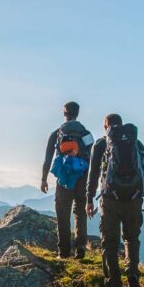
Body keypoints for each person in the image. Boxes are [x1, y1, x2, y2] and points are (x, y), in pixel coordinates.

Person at [86, 113, 144, 287]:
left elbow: (93, 174)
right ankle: (133, 276)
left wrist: (88, 199)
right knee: (131, 238)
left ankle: (113, 284)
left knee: (109, 241)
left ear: (106, 127)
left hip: (110, 199)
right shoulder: (136, 143)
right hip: (134, 198)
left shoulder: (102, 144)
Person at [41, 101, 94, 258]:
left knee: (62, 214)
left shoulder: (56, 134)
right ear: (77, 113)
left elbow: (48, 159)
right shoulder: (86, 134)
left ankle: (63, 251)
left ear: (64, 113)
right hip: (82, 178)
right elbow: (91, 159)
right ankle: (80, 248)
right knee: (80, 212)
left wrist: (44, 179)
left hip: (64, 179)